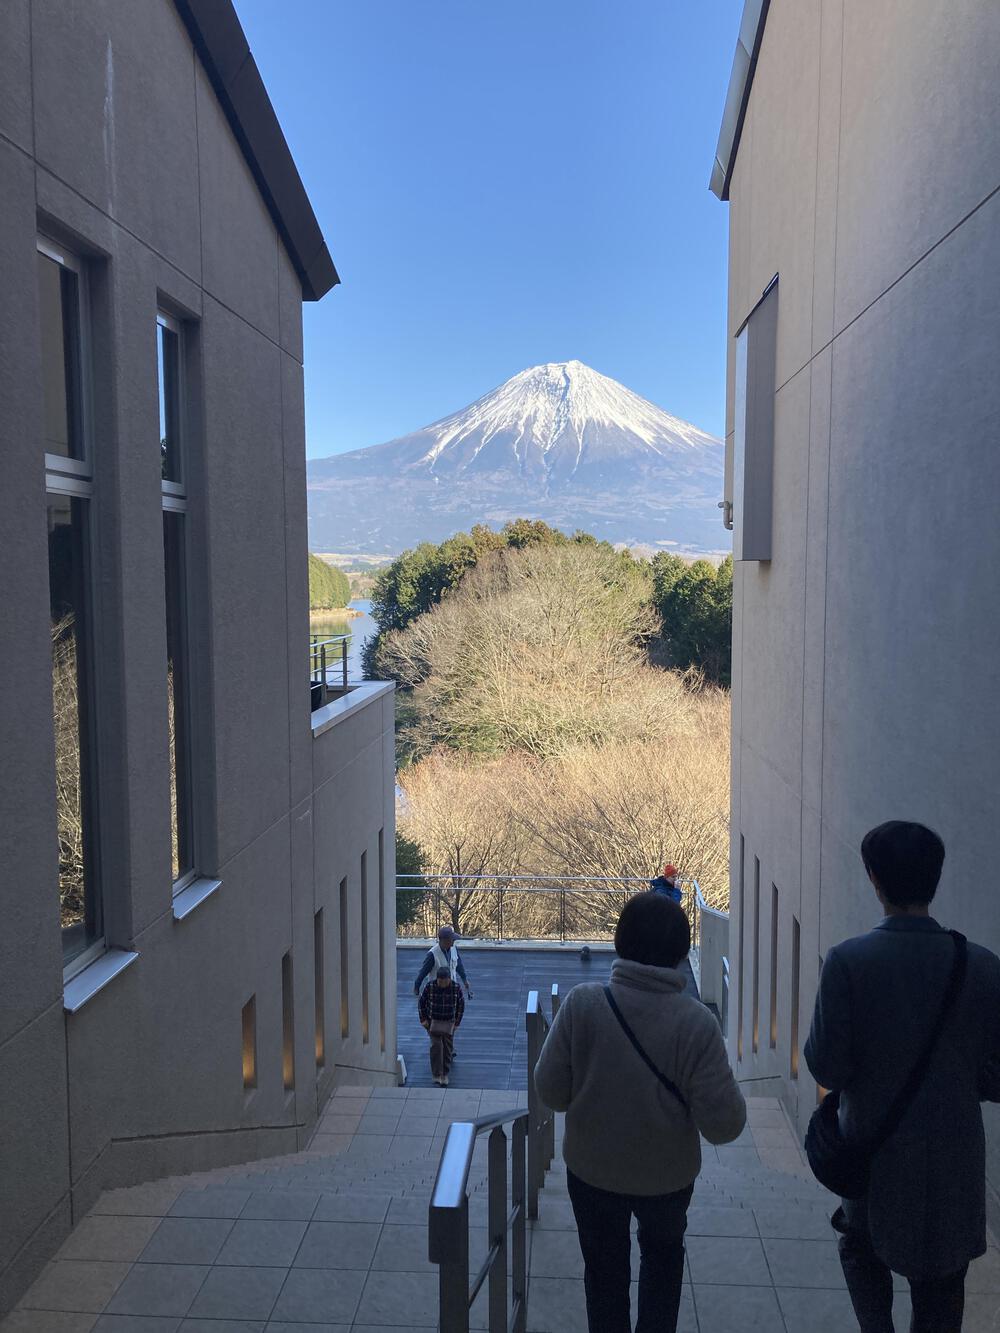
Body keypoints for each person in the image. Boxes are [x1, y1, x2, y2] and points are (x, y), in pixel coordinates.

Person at [805, 820, 1000, 1333]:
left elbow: (827, 1065)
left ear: (874, 878)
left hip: (873, 1153)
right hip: (955, 1162)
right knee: (940, 1291)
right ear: (935, 878)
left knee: (862, 1250)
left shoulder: (849, 962)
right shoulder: (981, 966)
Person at [534, 892, 746, 1333]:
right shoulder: (697, 1024)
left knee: (604, 1274)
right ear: (681, 952)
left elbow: (550, 1091)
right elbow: (725, 1125)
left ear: (619, 942)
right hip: (667, 1179)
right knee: (664, 1263)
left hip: (593, 1172)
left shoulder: (583, 1004)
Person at [419, 965, 464, 1086]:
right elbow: (421, 1003)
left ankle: (445, 1074)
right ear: (437, 979)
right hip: (433, 1022)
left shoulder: (456, 987)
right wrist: (423, 1019)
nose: (442, 984)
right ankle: (436, 1074)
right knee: (436, 1046)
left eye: (444, 981)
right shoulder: (429, 987)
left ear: (449, 979)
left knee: (447, 1048)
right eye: (440, 981)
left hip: (449, 1022)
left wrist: (457, 1023)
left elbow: (461, 1005)